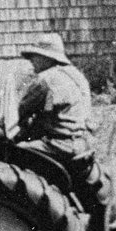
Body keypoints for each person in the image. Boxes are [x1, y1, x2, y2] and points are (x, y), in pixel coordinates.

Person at [14, 33, 94, 161]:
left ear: (47, 58)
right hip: (83, 143)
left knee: (13, 150)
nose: (31, 61)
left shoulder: (45, 79)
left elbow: (19, 112)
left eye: (35, 56)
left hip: (60, 145)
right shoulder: (77, 75)